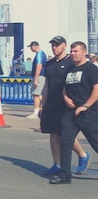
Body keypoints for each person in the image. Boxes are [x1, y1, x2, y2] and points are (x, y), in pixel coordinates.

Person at [39, 36, 91, 177]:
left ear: (64, 46)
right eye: (53, 45)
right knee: (53, 133)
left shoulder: (71, 62)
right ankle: (57, 164)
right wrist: (42, 107)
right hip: (52, 104)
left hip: (67, 104)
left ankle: (83, 154)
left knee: (64, 134)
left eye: (57, 45)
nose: (54, 47)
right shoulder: (49, 64)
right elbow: (47, 86)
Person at [49, 41, 98, 184]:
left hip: (88, 112)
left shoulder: (91, 69)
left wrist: (86, 106)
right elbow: (65, 87)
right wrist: (65, 98)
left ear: (84, 52)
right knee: (65, 141)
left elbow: (96, 89)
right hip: (70, 112)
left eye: (76, 51)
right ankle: (65, 175)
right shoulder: (70, 69)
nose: (73, 53)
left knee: (95, 142)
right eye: (72, 51)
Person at [27, 41, 48, 119]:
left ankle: (36, 112)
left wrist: (36, 78)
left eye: (30, 47)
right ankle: (43, 110)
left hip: (39, 76)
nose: (30, 49)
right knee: (40, 95)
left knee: (36, 94)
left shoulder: (39, 55)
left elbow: (39, 66)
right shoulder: (42, 54)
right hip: (41, 76)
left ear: (34, 46)